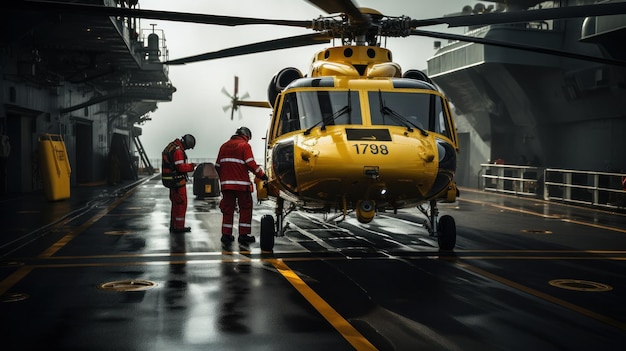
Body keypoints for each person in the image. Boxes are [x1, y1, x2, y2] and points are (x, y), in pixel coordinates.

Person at [215, 126, 268, 245]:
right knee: (245, 208)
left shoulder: (224, 146)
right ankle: (243, 235)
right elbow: (250, 164)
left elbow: (217, 166)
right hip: (241, 186)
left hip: (226, 186)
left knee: (228, 209)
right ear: (246, 136)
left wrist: (224, 179)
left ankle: (226, 235)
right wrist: (262, 175)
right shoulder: (244, 145)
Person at [162, 134, 196, 233]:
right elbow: (180, 167)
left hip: (171, 181)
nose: (187, 149)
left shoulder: (171, 147)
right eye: (188, 147)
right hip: (177, 182)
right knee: (181, 203)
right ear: (186, 144)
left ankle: (174, 225)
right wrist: (191, 166)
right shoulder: (178, 151)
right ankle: (179, 227)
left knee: (175, 204)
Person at [0, 131, 10, 195]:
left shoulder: (6, 144)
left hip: (3, 157)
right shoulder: (7, 144)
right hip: (3, 157)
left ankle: (2, 188)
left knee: (2, 172)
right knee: (2, 173)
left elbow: (4, 151)